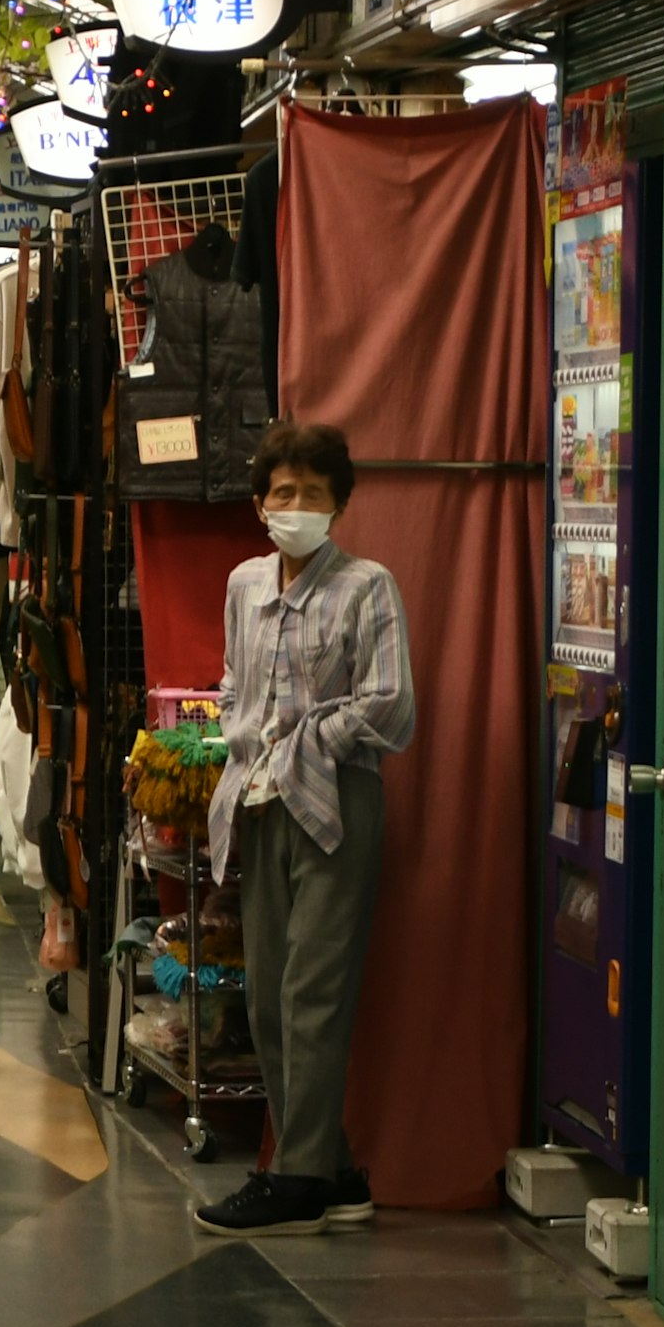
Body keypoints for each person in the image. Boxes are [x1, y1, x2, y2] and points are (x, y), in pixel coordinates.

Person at [194, 418, 416, 1237]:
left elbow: (391, 704)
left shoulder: (366, 586)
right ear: (260, 504)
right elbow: (231, 685)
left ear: (339, 506)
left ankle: (295, 1178)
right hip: (256, 803)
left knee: (311, 994)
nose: (296, 506)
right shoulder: (244, 585)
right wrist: (245, 739)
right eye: (283, 492)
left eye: (314, 495)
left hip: (333, 801)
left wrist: (308, 738)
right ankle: (332, 1170)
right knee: (268, 1000)